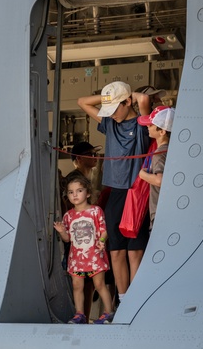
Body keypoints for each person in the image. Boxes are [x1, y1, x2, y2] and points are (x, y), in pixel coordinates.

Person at [77, 82, 151, 303]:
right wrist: (108, 100)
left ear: (128, 102)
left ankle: (136, 300)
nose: (112, 115)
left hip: (137, 194)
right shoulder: (109, 123)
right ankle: (124, 298)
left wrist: (131, 95)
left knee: (135, 251)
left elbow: (144, 101)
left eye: (115, 109)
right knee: (116, 250)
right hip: (116, 193)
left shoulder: (141, 124)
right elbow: (82, 102)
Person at [54, 174, 115, 325]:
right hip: (77, 258)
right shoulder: (68, 215)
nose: (74, 195)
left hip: (94, 256)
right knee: (77, 285)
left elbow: (104, 230)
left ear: (88, 193)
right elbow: (68, 239)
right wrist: (62, 231)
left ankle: (108, 312)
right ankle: (79, 314)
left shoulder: (96, 211)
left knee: (99, 284)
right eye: (70, 192)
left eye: (79, 191)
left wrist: (101, 241)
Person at [137, 107, 175, 231]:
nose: (148, 126)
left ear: (162, 131)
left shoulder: (159, 153)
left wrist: (142, 174)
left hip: (159, 216)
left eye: (151, 124)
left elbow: (160, 180)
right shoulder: (173, 150)